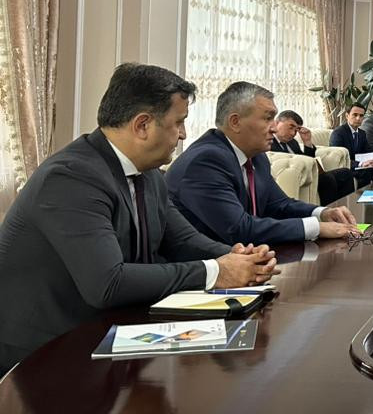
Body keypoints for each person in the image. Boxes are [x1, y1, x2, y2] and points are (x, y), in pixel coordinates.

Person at [0, 63, 278, 374]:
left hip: (113, 334)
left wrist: (237, 258)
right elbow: (108, 283)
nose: (184, 135)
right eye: (179, 122)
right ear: (143, 125)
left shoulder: (148, 173)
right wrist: (216, 272)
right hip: (45, 356)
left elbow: (182, 240)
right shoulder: (71, 177)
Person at [166, 82, 359, 246]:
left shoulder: (256, 157)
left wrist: (322, 213)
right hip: (204, 267)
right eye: (268, 118)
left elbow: (279, 205)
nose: (274, 128)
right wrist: (316, 228)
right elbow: (240, 229)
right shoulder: (205, 161)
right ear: (235, 122)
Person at [270, 109, 361, 204]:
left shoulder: (292, 143)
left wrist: (307, 141)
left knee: (345, 173)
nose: (293, 133)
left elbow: (307, 159)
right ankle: (330, 209)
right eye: (290, 127)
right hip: (292, 179)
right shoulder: (269, 143)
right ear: (277, 123)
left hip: (309, 174)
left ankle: (348, 206)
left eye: (296, 130)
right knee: (327, 179)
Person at [329, 103, 373, 186]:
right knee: (365, 172)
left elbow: (369, 150)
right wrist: (360, 164)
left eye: (361, 116)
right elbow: (338, 158)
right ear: (347, 115)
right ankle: (362, 194)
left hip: (359, 165)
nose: (358, 118)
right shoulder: (338, 133)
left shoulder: (362, 133)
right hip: (346, 167)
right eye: (355, 115)